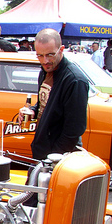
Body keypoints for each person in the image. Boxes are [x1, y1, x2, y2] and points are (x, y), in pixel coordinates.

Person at [18, 28, 89, 161]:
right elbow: (44, 104)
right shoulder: (45, 70)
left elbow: (74, 130)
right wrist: (32, 110)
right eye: (40, 55)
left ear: (61, 50)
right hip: (42, 150)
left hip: (57, 157)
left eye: (50, 55)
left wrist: (53, 158)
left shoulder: (75, 80)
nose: (45, 61)